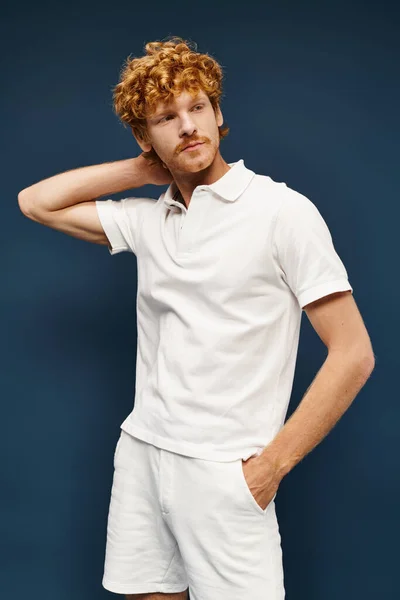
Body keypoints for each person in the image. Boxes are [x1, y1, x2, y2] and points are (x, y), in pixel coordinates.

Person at [18, 36, 375, 600]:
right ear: (145, 137)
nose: (188, 126)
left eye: (198, 107)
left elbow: (354, 353)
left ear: (218, 112)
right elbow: (35, 202)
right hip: (143, 452)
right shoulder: (148, 220)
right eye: (166, 117)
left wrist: (269, 470)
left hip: (225, 473)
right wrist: (140, 173)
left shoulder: (281, 212)